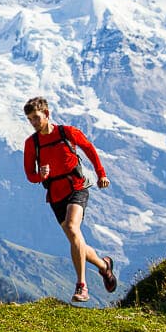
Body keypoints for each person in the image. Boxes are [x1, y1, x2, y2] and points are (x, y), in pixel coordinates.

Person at [22, 96, 117, 302]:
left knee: (74, 229)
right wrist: (41, 176)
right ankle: (104, 266)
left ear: (46, 114)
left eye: (36, 118)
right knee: (76, 240)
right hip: (55, 195)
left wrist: (101, 174)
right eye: (30, 120)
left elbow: (89, 149)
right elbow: (29, 174)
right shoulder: (32, 143)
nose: (34, 123)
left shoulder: (66, 132)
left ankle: (82, 286)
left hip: (77, 187)